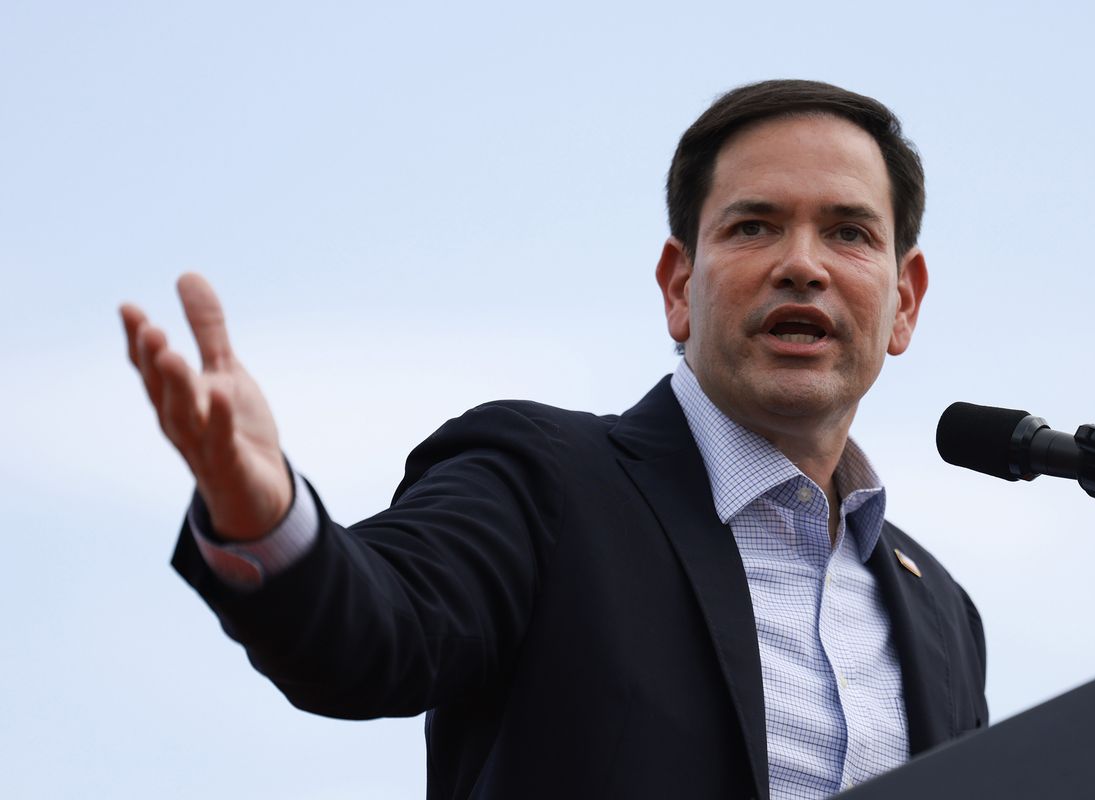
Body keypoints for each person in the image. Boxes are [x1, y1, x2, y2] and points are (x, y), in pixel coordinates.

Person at [121, 80, 987, 800]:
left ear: (904, 300)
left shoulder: (941, 615)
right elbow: (371, 635)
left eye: (849, 232)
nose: (804, 263)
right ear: (680, 286)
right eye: (753, 226)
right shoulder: (543, 483)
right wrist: (262, 509)